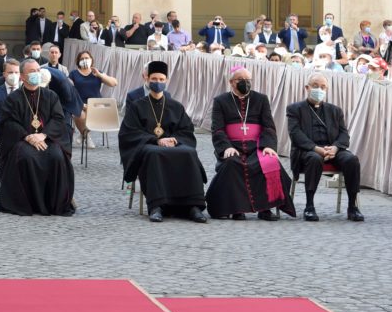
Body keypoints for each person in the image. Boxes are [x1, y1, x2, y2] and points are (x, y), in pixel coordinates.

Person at [119, 60, 208, 223]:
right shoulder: (137, 106)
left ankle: (193, 205)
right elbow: (129, 133)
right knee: (153, 154)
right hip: (148, 147)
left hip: (174, 146)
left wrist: (175, 140)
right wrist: (155, 140)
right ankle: (157, 206)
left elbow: (186, 131)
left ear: (166, 81)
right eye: (154, 79)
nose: (157, 83)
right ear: (147, 79)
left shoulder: (176, 106)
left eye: (161, 79)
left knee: (189, 152)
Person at [205, 68, 296, 220]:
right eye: (240, 79)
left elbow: (268, 126)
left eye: (248, 80)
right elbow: (218, 129)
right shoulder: (221, 101)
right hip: (232, 146)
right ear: (231, 82)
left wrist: (268, 146)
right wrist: (226, 147)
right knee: (232, 164)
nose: (245, 83)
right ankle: (237, 209)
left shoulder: (261, 99)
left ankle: (265, 209)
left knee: (269, 162)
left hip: (257, 145)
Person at [0, 60, 75, 216]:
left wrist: (43, 135)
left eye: (38, 70)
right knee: (26, 157)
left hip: (47, 138)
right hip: (22, 140)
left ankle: (54, 203)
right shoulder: (13, 98)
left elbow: (59, 119)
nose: (36, 74)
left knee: (56, 156)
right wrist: (27, 137)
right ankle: (28, 203)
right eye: (32, 71)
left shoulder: (51, 96)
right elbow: (8, 123)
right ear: (23, 77)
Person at [287, 74, 364, 222]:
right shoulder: (294, 109)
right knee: (314, 159)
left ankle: (352, 206)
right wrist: (317, 149)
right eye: (315, 86)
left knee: (352, 160)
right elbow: (295, 134)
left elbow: (344, 135)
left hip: (332, 150)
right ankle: (309, 206)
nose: (319, 89)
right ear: (307, 88)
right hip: (307, 151)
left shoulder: (335, 111)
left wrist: (335, 148)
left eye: (323, 87)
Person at [68, 50, 117, 148]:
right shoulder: (74, 73)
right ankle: (87, 136)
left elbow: (113, 83)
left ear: (91, 60)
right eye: (82, 59)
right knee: (78, 114)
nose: (85, 60)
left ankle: (83, 135)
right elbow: (68, 88)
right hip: (81, 104)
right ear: (78, 61)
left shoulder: (97, 72)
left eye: (87, 58)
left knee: (91, 113)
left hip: (96, 104)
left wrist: (100, 75)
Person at [0, 59, 21, 156]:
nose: (14, 75)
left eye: (16, 72)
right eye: (10, 72)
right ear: (4, 74)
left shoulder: (25, 92)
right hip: (1, 130)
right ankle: (4, 168)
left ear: (20, 74)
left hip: (22, 131)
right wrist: (10, 121)